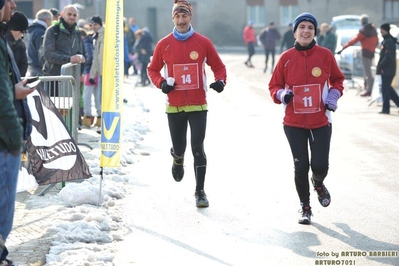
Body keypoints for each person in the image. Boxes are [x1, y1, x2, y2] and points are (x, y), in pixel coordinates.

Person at [147, 0, 227, 208]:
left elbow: (219, 66)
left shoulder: (203, 42)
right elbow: (152, 69)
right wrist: (162, 83)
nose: (181, 20)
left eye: (184, 16)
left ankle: (200, 192)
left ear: (190, 17)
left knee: (198, 148)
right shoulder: (163, 44)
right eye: (177, 16)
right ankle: (177, 157)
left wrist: (220, 81)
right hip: (174, 106)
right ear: (172, 18)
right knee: (180, 146)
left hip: (198, 105)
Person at [269, 12, 344, 225]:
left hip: (321, 121)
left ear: (315, 31)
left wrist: (333, 95)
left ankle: (318, 182)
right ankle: (305, 207)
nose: (306, 31)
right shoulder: (285, 58)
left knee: (320, 166)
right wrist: (283, 95)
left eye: (310, 27)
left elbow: (338, 80)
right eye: (301, 27)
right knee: (300, 166)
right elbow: (274, 86)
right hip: (293, 123)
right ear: (294, 32)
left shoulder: (325, 55)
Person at [1, 1, 34, 265]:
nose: (13, 4)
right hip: (4, 139)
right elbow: (3, 97)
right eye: (9, 1)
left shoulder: (10, 43)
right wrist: (15, 137)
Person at [42, 4, 85, 95]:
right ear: (62, 14)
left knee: (68, 108)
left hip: (70, 78)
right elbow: (48, 54)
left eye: (74, 15)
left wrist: (81, 58)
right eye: (69, 14)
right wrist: (69, 59)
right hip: (53, 78)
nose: (72, 17)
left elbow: (80, 52)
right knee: (53, 108)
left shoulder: (77, 32)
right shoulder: (52, 30)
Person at [337, 14, 378, 97]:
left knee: (367, 72)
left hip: (366, 53)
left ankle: (369, 89)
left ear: (362, 22)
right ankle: (369, 88)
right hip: (371, 52)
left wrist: (343, 48)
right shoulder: (373, 29)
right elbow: (376, 41)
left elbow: (354, 40)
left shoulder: (364, 30)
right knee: (369, 72)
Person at [376, 23, 399, 114]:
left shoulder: (388, 41)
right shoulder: (387, 40)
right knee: (388, 88)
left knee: (385, 89)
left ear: (384, 30)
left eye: (381, 30)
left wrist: (381, 66)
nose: (380, 32)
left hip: (387, 69)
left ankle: (386, 109)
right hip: (387, 68)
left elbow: (388, 56)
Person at [88, 15, 104, 128]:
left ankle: (104, 124)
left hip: (107, 73)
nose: (93, 27)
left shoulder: (105, 35)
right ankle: (102, 124)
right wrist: (92, 75)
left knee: (103, 100)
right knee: (100, 99)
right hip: (101, 73)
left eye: (95, 24)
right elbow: (96, 58)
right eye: (91, 24)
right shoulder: (97, 37)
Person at [26, 9, 52, 76]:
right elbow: (41, 52)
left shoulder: (33, 30)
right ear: (47, 20)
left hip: (32, 65)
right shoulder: (41, 32)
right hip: (39, 68)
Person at [6, 11, 28, 77]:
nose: (22, 35)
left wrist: (17, 79)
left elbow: (23, 65)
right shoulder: (3, 43)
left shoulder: (21, 44)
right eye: (22, 31)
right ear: (14, 29)